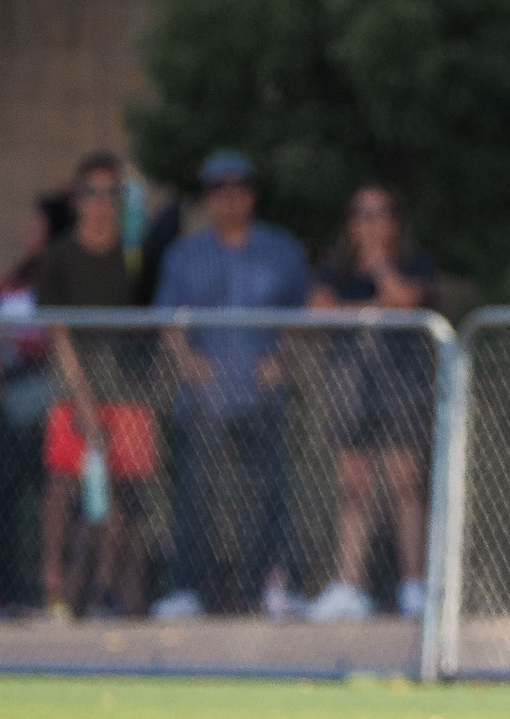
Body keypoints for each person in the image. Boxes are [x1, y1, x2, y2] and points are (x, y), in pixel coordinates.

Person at [149, 151, 310, 620]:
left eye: (237, 190)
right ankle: (186, 590)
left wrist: (281, 358)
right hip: (204, 397)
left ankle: (274, 585)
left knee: (272, 493)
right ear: (207, 199)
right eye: (218, 191)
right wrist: (187, 362)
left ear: (252, 195)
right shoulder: (185, 253)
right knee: (194, 497)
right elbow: (168, 318)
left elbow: (302, 311)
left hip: (263, 394)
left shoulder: (281, 249)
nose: (228, 199)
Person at [305, 185, 439, 623]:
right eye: (361, 214)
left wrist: (380, 265)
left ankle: (414, 585)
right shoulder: (334, 266)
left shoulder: (413, 261)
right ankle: (348, 586)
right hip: (349, 381)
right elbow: (318, 310)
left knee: (405, 483)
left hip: (402, 380)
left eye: (379, 214)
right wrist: (372, 308)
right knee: (354, 488)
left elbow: (404, 301)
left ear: (395, 220)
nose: (370, 223)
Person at [34, 150, 154, 620]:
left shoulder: (134, 254)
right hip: (73, 391)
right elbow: (57, 332)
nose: (101, 202)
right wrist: (81, 395)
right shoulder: (58, 256)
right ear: (77, 198)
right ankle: (54, 587)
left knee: (125, 497)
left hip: (128, 393)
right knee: (63, 489)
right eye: (92, 192)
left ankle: (114, 589)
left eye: (111, 193)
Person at [0, 192, 69, 612]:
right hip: (12, 390)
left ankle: (39, 589)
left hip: (44, 393)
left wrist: (11, 340)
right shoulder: (19, 274)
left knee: (49, 494)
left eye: (35, 224)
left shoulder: (57, 271)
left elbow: (50, 337)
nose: (26, 231)